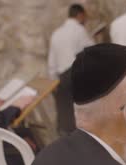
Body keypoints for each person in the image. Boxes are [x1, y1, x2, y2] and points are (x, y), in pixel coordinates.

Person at [48, 4, 94, 136]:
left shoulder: (56, 33)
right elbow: (91, 52)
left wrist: (54, 83)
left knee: (65, 120)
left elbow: (52, 63)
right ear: (80, 15)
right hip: (76, 76)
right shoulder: (79, 30)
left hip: (61, 79)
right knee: (80, 120)